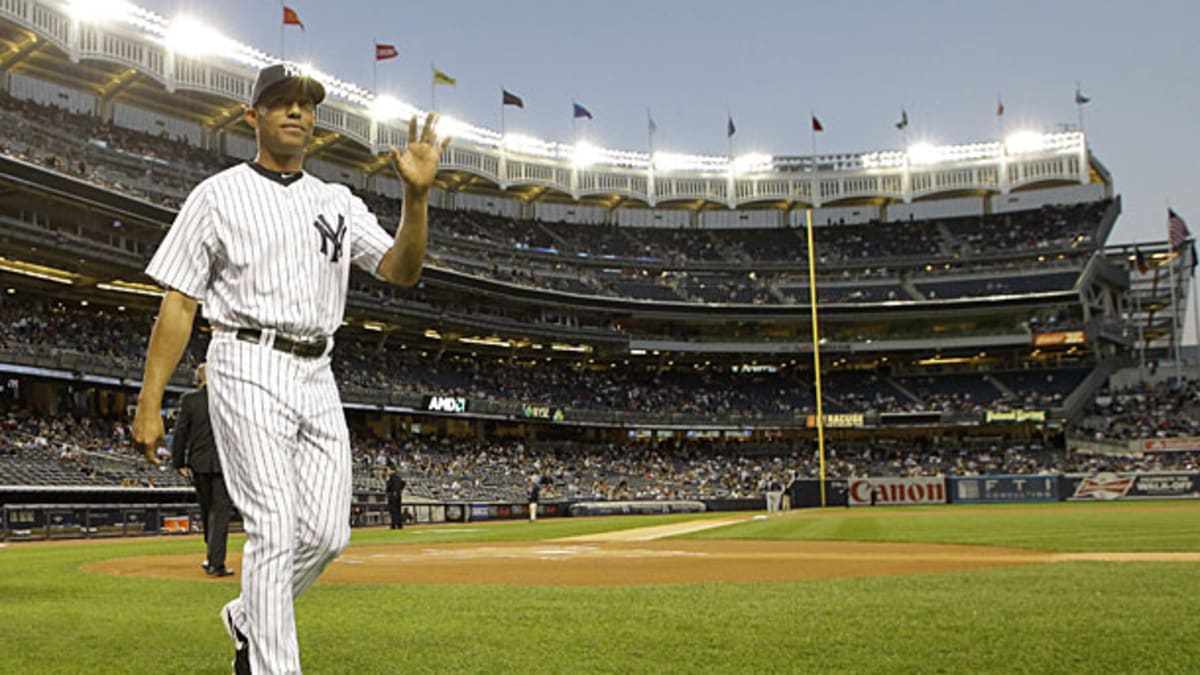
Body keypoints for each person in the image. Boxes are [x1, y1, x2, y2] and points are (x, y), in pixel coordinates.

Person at [132, 62, 449, 675]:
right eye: (280, 102)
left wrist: (416, 195)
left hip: (316, 369)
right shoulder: (217, 195)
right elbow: (178, 302)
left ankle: (249, 616)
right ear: (253, 116)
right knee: (276, 527)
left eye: (305, 104)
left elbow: (401, 270)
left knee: (328, 535)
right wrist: (151, 402)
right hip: (245, 358)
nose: (296, 112)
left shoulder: (336, 200)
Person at [170, 363, 234, 577]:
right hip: (224, 463)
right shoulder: (229, 399)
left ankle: (212, 557)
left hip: (198, 463)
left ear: (198, 378)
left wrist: (179, 462)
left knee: (208, 511)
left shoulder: (189, 400)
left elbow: (180, 433)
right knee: (220, 513)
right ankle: (216, 562)